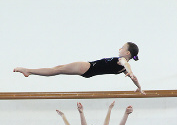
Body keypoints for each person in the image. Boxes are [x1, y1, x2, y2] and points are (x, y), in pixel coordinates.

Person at [13, 42, 144, 93]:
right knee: (57, 69)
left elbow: (125, 63)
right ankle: (29, 71)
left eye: (122, 47)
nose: (119, 48)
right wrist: (139, 87)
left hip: (87, 66)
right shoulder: (124, 69)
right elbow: (134, 78)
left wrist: (131, 71)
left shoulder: (121, 61)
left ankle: (28, 70)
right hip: (88, 73)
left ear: (127, 53)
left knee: (57, 69)